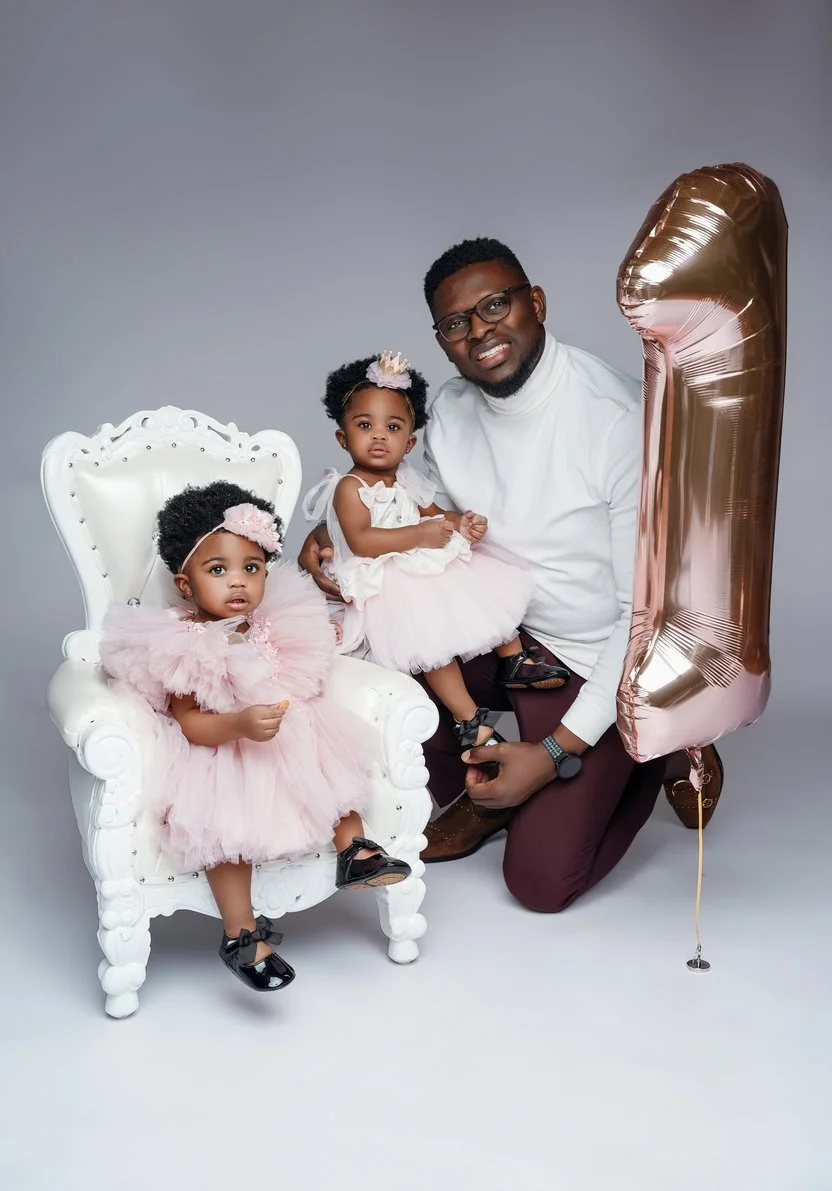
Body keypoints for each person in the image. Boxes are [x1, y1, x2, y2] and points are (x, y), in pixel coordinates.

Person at [299, 237, 724, 913]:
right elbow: (403, 492)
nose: (480, 330)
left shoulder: (619, 422)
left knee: (540, 883)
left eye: (495, 305)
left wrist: (556, 750)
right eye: (456, 323)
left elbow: (644, 616)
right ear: (442, 341)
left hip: (598, 657)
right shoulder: (451, 411)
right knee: (376, 655)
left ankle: (658, 749)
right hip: (501, 629)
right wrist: (329, 537)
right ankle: (485, 788)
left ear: (537, 303)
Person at [99, 480, 410, 993]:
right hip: (221, 751)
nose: (237, 581)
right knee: (224, 831)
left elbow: (299, 682)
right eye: (217, 570)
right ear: (185, 584)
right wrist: (240, 725)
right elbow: (192, 723)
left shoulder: (272, 625)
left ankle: (357, 853)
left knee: (326, 762)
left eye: (251, 567)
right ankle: (241, 934)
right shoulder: (182, 643)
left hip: (282, 734)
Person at [302, 351, 569, 752]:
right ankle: (468, 718)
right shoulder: (349, 487)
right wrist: (420, 536)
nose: (378, 436)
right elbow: (362, 540)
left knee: (478, 576)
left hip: (416, 566)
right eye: (364, 425)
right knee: (431, 646)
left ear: (409, 441)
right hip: (385, 583)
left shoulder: (407, 478)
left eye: (392, 427)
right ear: (343, 437)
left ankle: (514, 658)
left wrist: (460, 524)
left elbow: (434, 511)